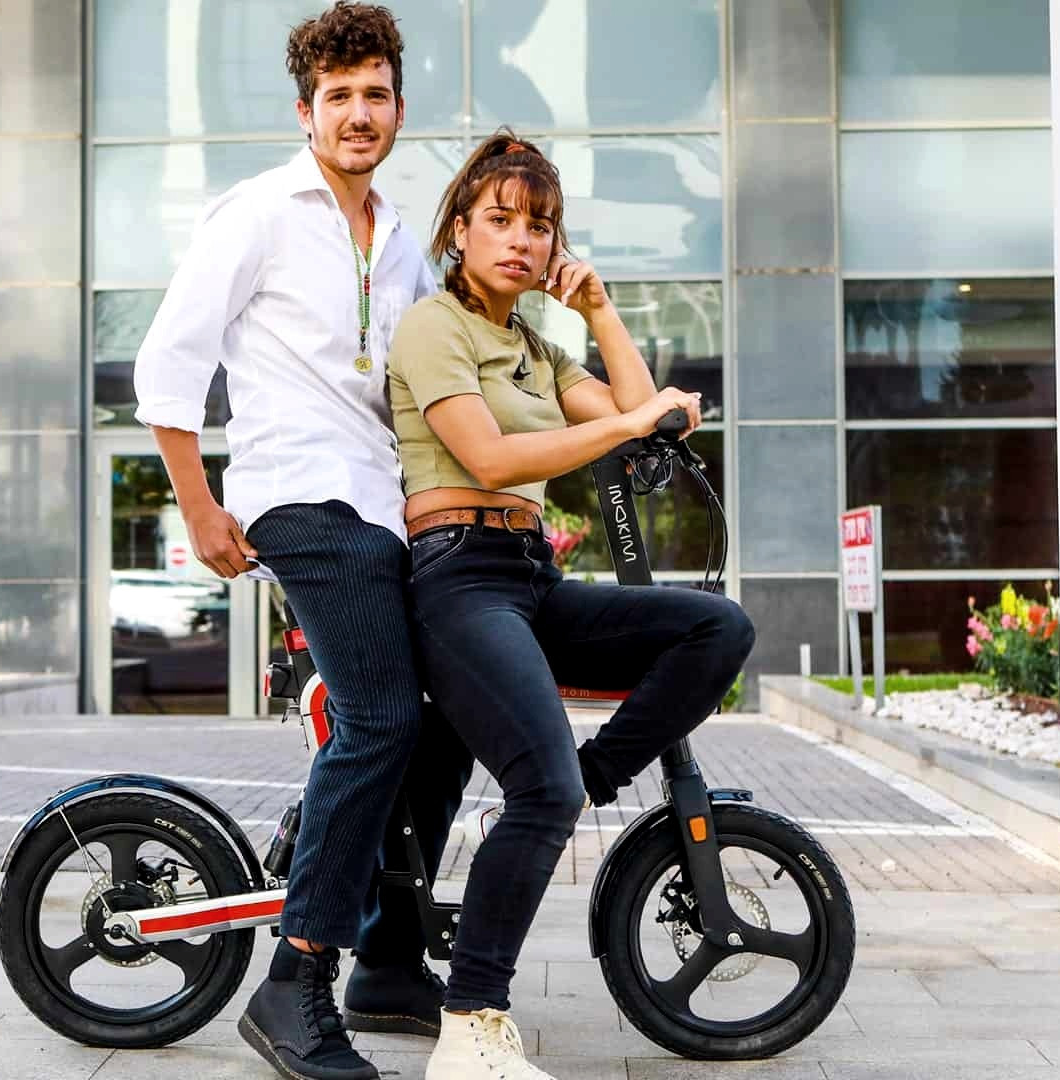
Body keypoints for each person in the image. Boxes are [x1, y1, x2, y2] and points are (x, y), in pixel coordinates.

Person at [132, 5, 471, 1079]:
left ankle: (389, 956)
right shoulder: (259, 214)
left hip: (385, 506)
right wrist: (199, 508)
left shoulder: (405, 240)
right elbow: (169, 364)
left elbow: (437, 383)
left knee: (451, 711)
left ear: (399, 109)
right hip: (299, 496)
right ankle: (295, 980)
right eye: (339, 97)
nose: (358, 113)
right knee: (379, 718)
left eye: (376, 95)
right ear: (306, 112)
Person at [384, 130, 757, 1080]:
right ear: (460, 230)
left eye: (540, 226)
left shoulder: (538, 347)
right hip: (456, 576)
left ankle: (583, 784)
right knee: (537, 788)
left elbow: (644, 419)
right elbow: (491, 459)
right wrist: (631, 420)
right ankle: (471, 1026)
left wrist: (597, 307)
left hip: (527, 575)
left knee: (717, 627)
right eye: (501, 219)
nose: (522, 239)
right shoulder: (435, 326)